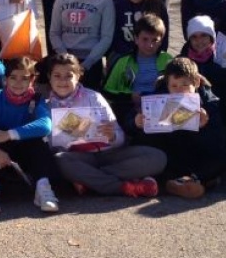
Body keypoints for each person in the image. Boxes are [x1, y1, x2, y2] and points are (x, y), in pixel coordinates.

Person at [45, 53, 167, 198]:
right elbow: (48, 145)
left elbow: (120, 138)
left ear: (79, 76)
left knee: (157, 157)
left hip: (109, 154)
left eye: (69, 76)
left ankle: (89, 179)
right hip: (77, 157)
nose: (62, 81)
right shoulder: (46, 105)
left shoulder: (94, 97)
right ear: (49, 77)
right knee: (60, 160)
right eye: (57, 75)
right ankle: (122, 187)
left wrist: (112, 135)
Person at [134, 57, 226, 199]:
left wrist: (202, 127)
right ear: (167, 85)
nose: (179, 91)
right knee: (148, 149)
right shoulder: (157, 98)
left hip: (197, 155)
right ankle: (193, 181)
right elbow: (131, 125)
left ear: (197, 83)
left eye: (185, 86)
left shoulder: (209, 103)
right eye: (174, 86)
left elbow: (217, 143)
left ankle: (187, 181)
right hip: (170, 155)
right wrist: (137, 122)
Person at [0, 57, 58, 214]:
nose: (18, 82)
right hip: (3, 155)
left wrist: (10, 134)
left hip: (26, 151)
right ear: (5, 79)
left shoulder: (37, 98)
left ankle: (43, 188)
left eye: (24, 78)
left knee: (40, 142)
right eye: (13, 77)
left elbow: (46, 125)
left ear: (32, 80)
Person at [49, 0, 116, 90]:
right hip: (65, 61)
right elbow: (54, 32)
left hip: (91, 62)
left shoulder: (105, 1)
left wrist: (87, 64)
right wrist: (66, 58)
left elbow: (106, 37)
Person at [103, 12, 173, 135]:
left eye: (155, 40)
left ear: (161, 41)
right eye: (145, 39)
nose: (150, 45)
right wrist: (130, 96)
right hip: (132, 110)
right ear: (136, 39)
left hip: (162, 111)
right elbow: (107, 93)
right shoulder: (123, 62)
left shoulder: (168, 61)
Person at [109, 0, 166, 64]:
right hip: (123, 55)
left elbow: (164, 39)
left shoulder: (157, 5)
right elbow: (114, 37)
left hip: (151, 53)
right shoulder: (116, 6)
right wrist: (131, 55)